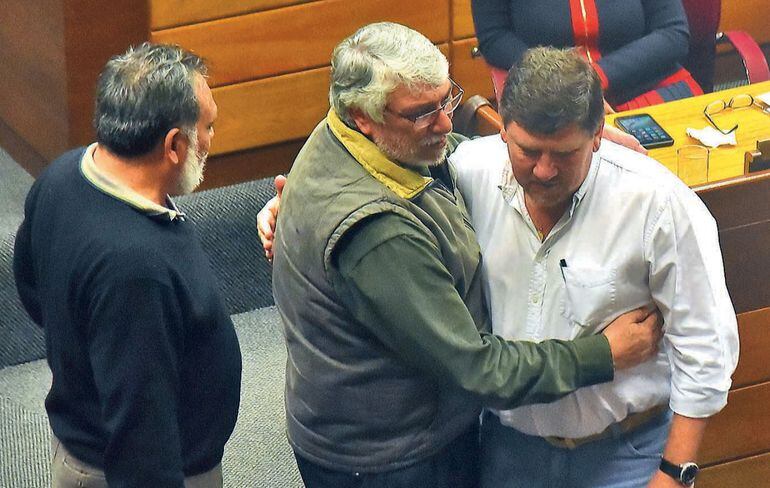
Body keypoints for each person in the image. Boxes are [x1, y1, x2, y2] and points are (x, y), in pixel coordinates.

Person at [269, 22, 662, 488]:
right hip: (392, 461)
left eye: (446, 99)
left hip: (385, 432)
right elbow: (475, 366)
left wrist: (559, 140)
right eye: (423, 114)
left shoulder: (365, 138)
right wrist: (603, 353)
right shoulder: (377, 234)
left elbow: (450, 153)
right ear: (363, 116)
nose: (445, 123)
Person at [449, 47, 738, 487]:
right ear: (503, 130)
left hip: (626, 454)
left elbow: (704, 346)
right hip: (509, 450)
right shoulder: (469, 172)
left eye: (564, 153)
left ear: (599, 133)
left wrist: (674, 474)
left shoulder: (657, 203)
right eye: (528, 151)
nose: (543, 170)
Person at [13, 43, 241, 487]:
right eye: (208, 127)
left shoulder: (62, 174)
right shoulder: (136, 269)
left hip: (86, 439)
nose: (212, 139)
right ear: (174, 144)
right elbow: (141, 435)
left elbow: (32, 286)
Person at [471, 0, 703, 110]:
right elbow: (495, 37)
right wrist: (562, 82)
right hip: (552, 97)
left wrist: (593, 78)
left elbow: (673, 33)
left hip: (647, 86)